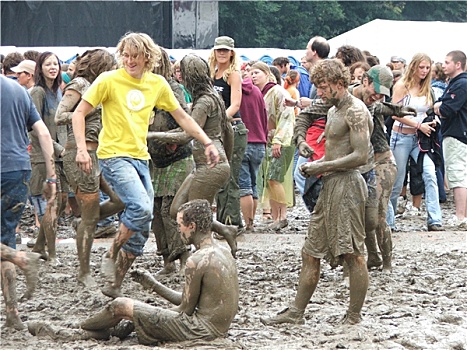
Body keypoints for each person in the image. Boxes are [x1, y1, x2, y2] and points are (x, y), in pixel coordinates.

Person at [71, 33, 221, 299]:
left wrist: (207, 142)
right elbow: (79, 112)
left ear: (147, 57)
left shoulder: (157, 84)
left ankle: (115, 281)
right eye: (125, 55)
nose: (129, 61)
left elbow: (182, 117)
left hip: (141, 158)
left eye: (135, 56)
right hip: (113, 155)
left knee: (144, 222)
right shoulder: (109, 80)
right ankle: (112, 251)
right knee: (139, 207)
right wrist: (82, 149)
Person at [28, 199, 239, 345]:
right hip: (214, 327)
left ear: (192, 226)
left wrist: (140, 313)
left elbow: (184, 310)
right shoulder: (223, 252)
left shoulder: (196, 260)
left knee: (121, 305)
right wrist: (153, 286)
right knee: (132, 314)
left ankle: (77, 328)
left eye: (180, 225)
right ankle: (93, 331)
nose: (178, 230)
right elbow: (193, 303)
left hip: (200, 330)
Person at [261, 59, 372, 326]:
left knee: (353, 253)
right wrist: (300, 141)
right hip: (331, 184)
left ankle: (354, 316)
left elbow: (361, 155)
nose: (318, 93)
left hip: (348, 185)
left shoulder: (354, 110)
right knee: (310, 251)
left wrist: (322, 165)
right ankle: (296, 312)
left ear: (339, 83)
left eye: (323, 87)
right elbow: (304, 117)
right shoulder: (332, 105)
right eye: (317, 87)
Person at [146, 53, 237, 257]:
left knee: (195, 219)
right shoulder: (213, 97)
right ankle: (224, 230)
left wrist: (151, 134)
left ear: (189, 76)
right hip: (207, 165)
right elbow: (228, 132)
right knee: (176, 209)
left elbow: (187, 134)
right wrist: (227, 161)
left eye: (182, 73)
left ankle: (207, 258)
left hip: (209, 166)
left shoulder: (205, 101)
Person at [55, 49, 125, 287]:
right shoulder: (81, 84)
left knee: (120, 201)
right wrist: (87, 111)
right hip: (79, 152)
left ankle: (85, 220)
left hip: (97, 154)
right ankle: (83, 271)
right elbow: (60, 115)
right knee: (92, 215)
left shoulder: (99, 87)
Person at [1, 75, 56, 330]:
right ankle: (12, 314)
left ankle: (21, 258)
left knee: (7, 246)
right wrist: (52, 176)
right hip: (17, 171)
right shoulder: (18, 90)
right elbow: (43, 132)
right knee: (5, 237)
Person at [147, 48, 195, 274]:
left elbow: (186, 122)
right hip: (154, 159)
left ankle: (184, 256)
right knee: (156, 211)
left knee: (172, 209)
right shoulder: (142, 90)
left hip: (177, 158)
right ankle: (167, 260)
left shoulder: (171, 87)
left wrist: (171, 139)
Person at [388, 53, 444, 232]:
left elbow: (429, 111)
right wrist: (419, 125)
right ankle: (389, 221)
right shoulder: (402, 86)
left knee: (430, 175)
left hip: (421, 138)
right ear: (413, 66)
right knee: (397, 181)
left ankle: (435, 220)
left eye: (427, 68)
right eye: (422, 67)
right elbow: (395, 113)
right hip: (402, 136)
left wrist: (431, 121)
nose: (425, 71)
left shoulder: (428, 88)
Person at [29, 51, 69, 262]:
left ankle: (38, 246)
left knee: (61, 203)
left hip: (60, 155)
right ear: (40, 68)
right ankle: (52, 254)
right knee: (51, 204)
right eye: (48, 64)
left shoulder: (58, 92)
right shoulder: (38, 92)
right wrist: (56, 148)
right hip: (43, 155)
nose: (53, 67)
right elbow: (34, 127)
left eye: (55, 64)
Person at [250, 62, 295, 231]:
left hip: (281, 140)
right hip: (268, 141)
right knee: (270, 180)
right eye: (251, 73)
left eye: (257, 72)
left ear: (267, 74)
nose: (253, 76)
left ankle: (282, 216)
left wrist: (279, 140)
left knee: (274, 178)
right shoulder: (259, 94)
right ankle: (276, 217)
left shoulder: (277, 91)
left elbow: (286, 116)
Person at [208, 36, 247, 229]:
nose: (221, 53)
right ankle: (223, 222)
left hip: (233, 128)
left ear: (232, 53)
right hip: (218, 130)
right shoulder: (212, 73)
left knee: (230, 178)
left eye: (225, 50)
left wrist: (218, 119)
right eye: (218, 50)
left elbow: (236, 104)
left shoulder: (233, 75)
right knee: (219, 178)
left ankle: (233, 223)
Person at [434, 50, 467, 228]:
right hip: (459, 133)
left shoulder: (460, 84)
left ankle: (461, 216)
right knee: (461, 174)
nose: (443, 65)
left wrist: (439, 106)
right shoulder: (455, 83)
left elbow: (446, 109)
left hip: (456, 134)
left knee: (457, 175)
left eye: (447, 62)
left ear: (458, 64)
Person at [238, 75, 268, 231]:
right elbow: (264, 116)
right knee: (254, 185)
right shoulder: (256, 91)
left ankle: (247, 223)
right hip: (259, 142)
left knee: (244, 186)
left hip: (243, 141)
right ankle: (251, 221)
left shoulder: (235, 91)